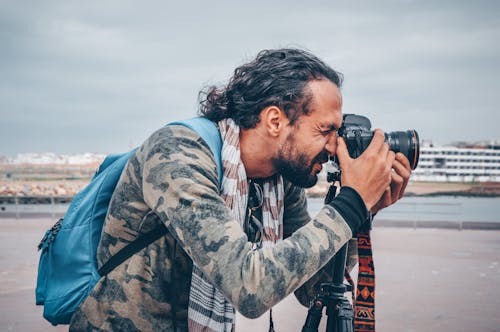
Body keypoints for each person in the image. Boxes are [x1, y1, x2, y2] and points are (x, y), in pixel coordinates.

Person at [69, 48, 411, 331]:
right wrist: (349, 206)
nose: (335, 146)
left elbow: (312, 288)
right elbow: (249, 287)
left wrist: (362, 213)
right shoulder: (177, 152)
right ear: (275, 121)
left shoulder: (280, 180)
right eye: (325, 130)